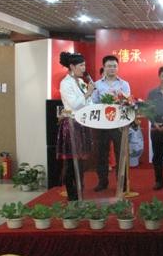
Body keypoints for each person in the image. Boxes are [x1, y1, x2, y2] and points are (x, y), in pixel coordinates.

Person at [56, 52, 94, 201]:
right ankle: (72, 195)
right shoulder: (65, 83)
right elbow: (74, 104)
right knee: (71, 162)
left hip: (82, 124)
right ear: (72, 66)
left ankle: (80, 190)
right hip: (71, 125)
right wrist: (88, 93)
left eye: (84, 65)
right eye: (81, 65)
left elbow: (88, 103)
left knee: (81, 162)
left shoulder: (81, 82)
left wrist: (90, 96)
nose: (84, 68)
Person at [92, 55, 131, 192]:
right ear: (104, 67)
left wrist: (119, 101)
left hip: (119, 124)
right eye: (109, 66)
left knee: (121, 154)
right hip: (102, 124)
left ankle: (122, 183)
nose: (112, 68)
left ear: (117, 67)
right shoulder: (97, 85)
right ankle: (102, 182)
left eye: (114, 66)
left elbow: (128, 103)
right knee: (101, 154)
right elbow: (93, 103)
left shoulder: (124, 84)